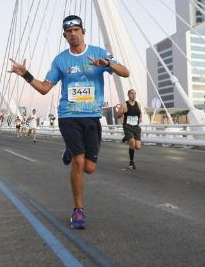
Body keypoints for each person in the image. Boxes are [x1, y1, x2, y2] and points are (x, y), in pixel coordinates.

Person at [9, 14, 129, 229]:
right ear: (64, 35)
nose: (73, 34)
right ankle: (78, 210)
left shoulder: (99, 53)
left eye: (76, 30)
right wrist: (26, 74)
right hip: (68, 115)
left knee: (90, 168)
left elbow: (126, 73)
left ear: (83, 31)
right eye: (69, 31)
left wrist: (108, 64)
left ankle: (69, 151)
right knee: (79, 161)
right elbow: (45, 88)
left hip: (92, 116)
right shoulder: (60, 60)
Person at [116, 89, 143, 170]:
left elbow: (140, 112)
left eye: (135, 93)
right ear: (128, 95)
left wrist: (140, 118)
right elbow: (118, 116)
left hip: (136, 127)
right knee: (132, 143)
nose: (133, 95)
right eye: (132, 93)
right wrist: (122, 112)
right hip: (127, 126)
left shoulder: (138, 104)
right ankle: (131, 162)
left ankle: (126, 137)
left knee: (137, 147)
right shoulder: (124, 105)